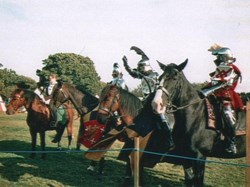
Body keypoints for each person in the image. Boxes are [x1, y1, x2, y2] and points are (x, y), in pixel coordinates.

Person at [122, 46, 174, 149]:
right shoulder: (142, 75)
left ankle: (169, 139)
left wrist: (143, 56)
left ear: (146, 66)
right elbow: (133, 73)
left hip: (155, 99)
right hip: (146, 99)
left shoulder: (155, 75)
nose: (140, 70)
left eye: (141, 67)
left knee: (160, 116)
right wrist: (126, 65)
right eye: (139, 68)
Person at [201, 44, 244, 154]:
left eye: (219, 57)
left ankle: (231, 142)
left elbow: (226, 84)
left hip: (227, 96)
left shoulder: (233, 70)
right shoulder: (220, 69)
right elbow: (214, 82)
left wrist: (210, 90)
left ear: (224, 57)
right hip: (214, 95)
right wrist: (204, 89)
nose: (217, 60)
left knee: (227, 115)